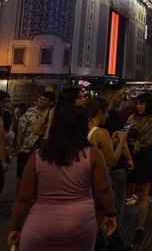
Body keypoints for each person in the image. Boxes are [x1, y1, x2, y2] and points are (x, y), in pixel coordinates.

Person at [7, 106, 117, 250]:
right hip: (80, 223)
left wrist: (15, 227)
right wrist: (111, 214)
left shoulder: (38, 156)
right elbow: (103, 189)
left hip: (40, 224)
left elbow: (24, 198)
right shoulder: (92, 154)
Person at [126, 93, 152, 244]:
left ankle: (140, 227)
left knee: (143, 194)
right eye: (137, 103)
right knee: (125, 192)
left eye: (142, 103)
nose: (138, 106)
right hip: (130, 155)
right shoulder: (131, 118)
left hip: (146, 157)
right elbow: (123, 134)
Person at [98, 85, 133, 221]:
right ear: (111, 97)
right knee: (117, 202)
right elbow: (121, 139)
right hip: (116, 164)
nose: (121, 99)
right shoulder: (113, 116)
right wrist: (129, 158)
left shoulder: (91, 119)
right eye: (119, 96)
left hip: (100, 166)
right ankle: (114, 233)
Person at [15, 92, 56, 184]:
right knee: (22, 177)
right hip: (27, 148)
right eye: (39, 99)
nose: (40, 101)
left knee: (38, 179)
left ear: (50, 102)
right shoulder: (30, 112)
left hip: (42, 149)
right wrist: (19, 147)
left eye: (44, 100)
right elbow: (21, 130)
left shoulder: (52, 114)